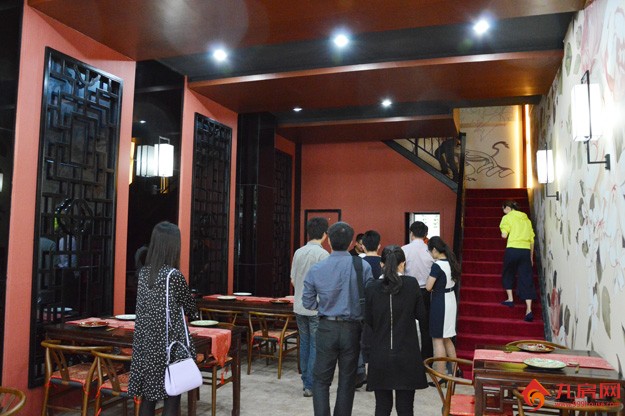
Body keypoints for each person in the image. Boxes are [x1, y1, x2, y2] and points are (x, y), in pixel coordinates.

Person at [303, 221, 374, 416]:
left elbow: (307, 302)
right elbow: (370, 297)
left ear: (329, 241)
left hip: (326, 328)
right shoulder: (363, 266)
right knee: (347, 381)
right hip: (352, 329)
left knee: (321, 381)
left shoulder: (317, 269)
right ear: (351, 242)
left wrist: (323, 308)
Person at [129, 221, 199, 416]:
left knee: (148, 398)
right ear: (173, 247)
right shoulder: (173, 276)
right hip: (169, 347)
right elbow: (190, 308)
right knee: (172, 397)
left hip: (146, 347)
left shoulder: (144, 274)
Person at [365, 245, 428, 416]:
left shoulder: (372, 287)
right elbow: (421, 315)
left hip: (380, 353)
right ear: (403, 264)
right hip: (407, 353)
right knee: (405, 408)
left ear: (381, 264)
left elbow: (368, 320)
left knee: (382, 407)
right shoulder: (412, 284)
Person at [291, 217, 330, 397]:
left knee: (305, 343)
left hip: (299, 305)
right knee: (315, 345)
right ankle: (310, 384)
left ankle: (305, 380)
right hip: (316, 307)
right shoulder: (324, 255)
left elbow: (293, 280)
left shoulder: (298, 252)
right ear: (324, 234)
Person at [425, 236, 460, 380]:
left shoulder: (437, 265)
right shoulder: (451, 261)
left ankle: (440, 376)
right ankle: (455, 371)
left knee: (438, 339)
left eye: (429, 251)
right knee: (447, 338)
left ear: (434, 250)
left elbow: (428, 287)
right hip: (450, 299)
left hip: (440, 302)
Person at [401, 221, 434, 360]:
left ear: (411, 233)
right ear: (426, 234)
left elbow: (400, 271)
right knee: (425, 327)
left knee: (406, 325)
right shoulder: (430, 251)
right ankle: (426, 359)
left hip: (407, 289)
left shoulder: (404, 249)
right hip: (426, 291)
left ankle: (408, 357)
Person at [499, 200, 536, 322]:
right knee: (526, 277)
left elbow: (504, 235)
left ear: (507, 208)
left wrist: (504, 231)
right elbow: (532, 240)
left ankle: (510, 299)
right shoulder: (526, 220)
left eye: (503, 209)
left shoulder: (507, 217)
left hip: (512, 249)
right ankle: (529, 310)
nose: (503, 212)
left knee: (508, 272)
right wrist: (531, 257)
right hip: (525, 251)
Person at [357, 229, 382, 388]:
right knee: (378, 339)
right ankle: (376, 373)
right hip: (380, 306)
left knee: (360, 339)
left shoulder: (357, 262)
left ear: (363, 246)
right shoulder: (384, 262)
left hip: (361, 305)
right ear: (379, 246)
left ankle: (361, 371)